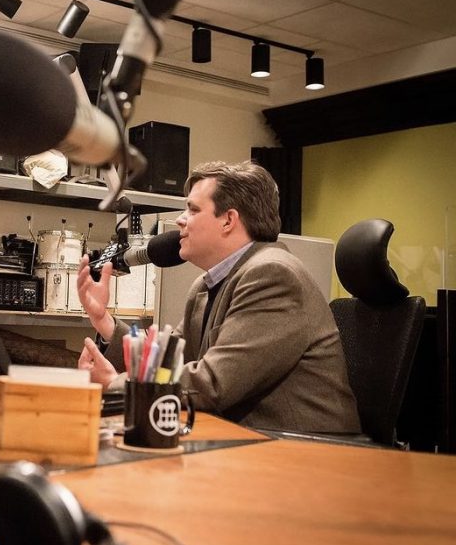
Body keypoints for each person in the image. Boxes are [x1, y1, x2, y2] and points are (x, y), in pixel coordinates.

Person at [77, 160, 360, 434]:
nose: (180, 220)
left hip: (307, 451)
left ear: (228, 220)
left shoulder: (273, 275)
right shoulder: (206, 284)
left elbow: (213, 383)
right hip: (249, 440)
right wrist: (105, 321)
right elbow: (166, 360)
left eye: (193, 209)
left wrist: (117, 383)